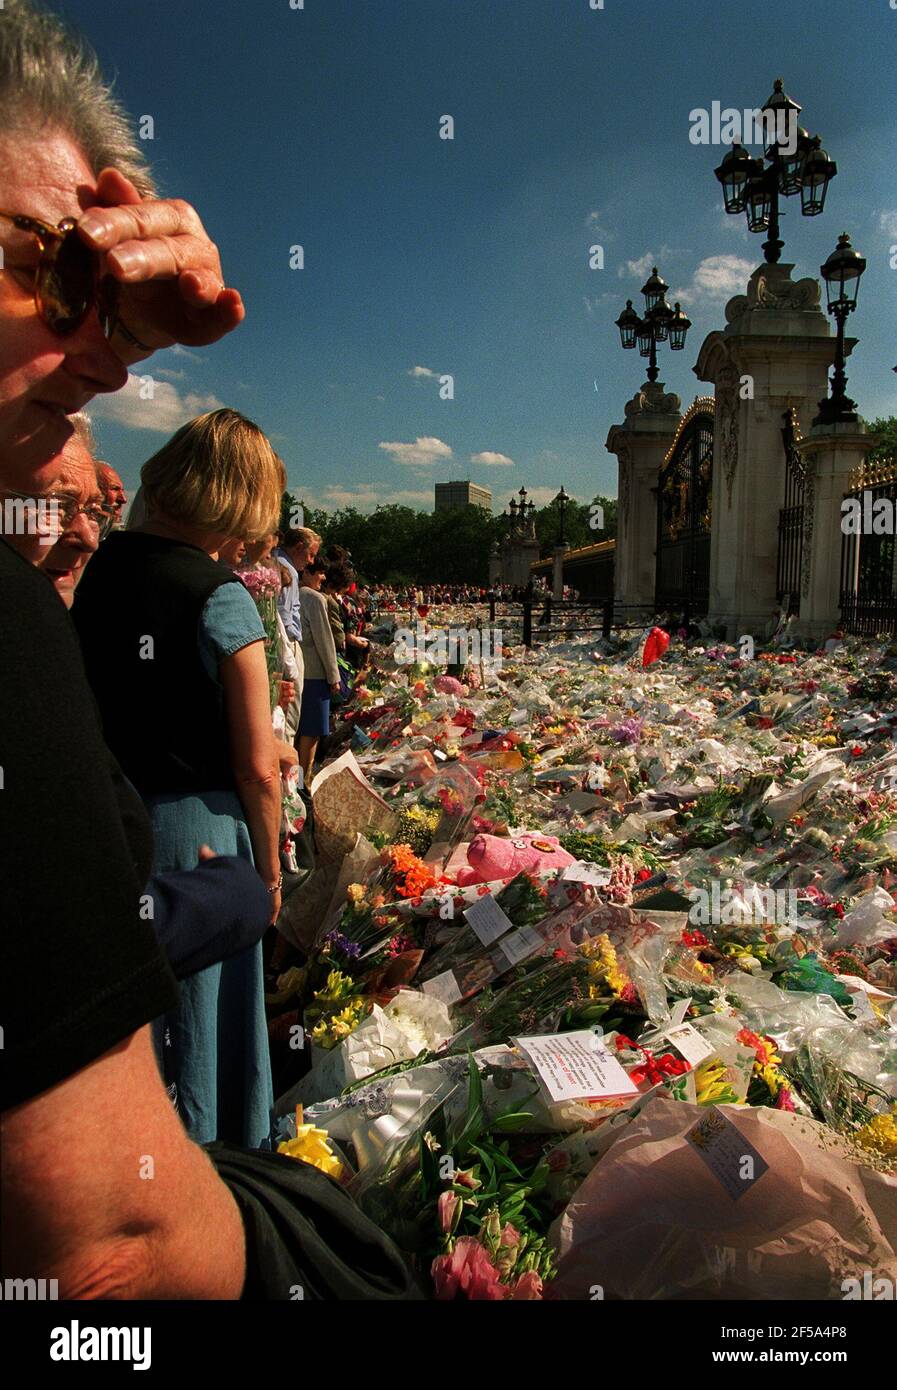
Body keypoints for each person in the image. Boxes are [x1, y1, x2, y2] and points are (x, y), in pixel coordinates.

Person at [73, 408, 284, 1149]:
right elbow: (257, 763)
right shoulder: (218, 594)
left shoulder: (95, 571)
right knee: (204, 1024)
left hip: (113, 820)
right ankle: (222, 1168)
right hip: (202, 832)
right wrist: (269, 867)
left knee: (144, 1032)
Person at [274, 525, 321, 741]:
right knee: (289, 717)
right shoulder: (287, 569)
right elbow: (283, 617)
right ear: (299, 547)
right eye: (310, 554)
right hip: (287, 644)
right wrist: (290, 657)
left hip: (284, 643)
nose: (311, 561)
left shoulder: (278, 563)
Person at [296, 557, 341, 782]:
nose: (322, 578)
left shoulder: (289, 593)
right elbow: (324, 640)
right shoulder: (314, 599)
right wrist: (334, 677)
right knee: (311, 731)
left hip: (296, 671)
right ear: (306, 573)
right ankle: (305, 780)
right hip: (314, 673)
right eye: (318, 573)